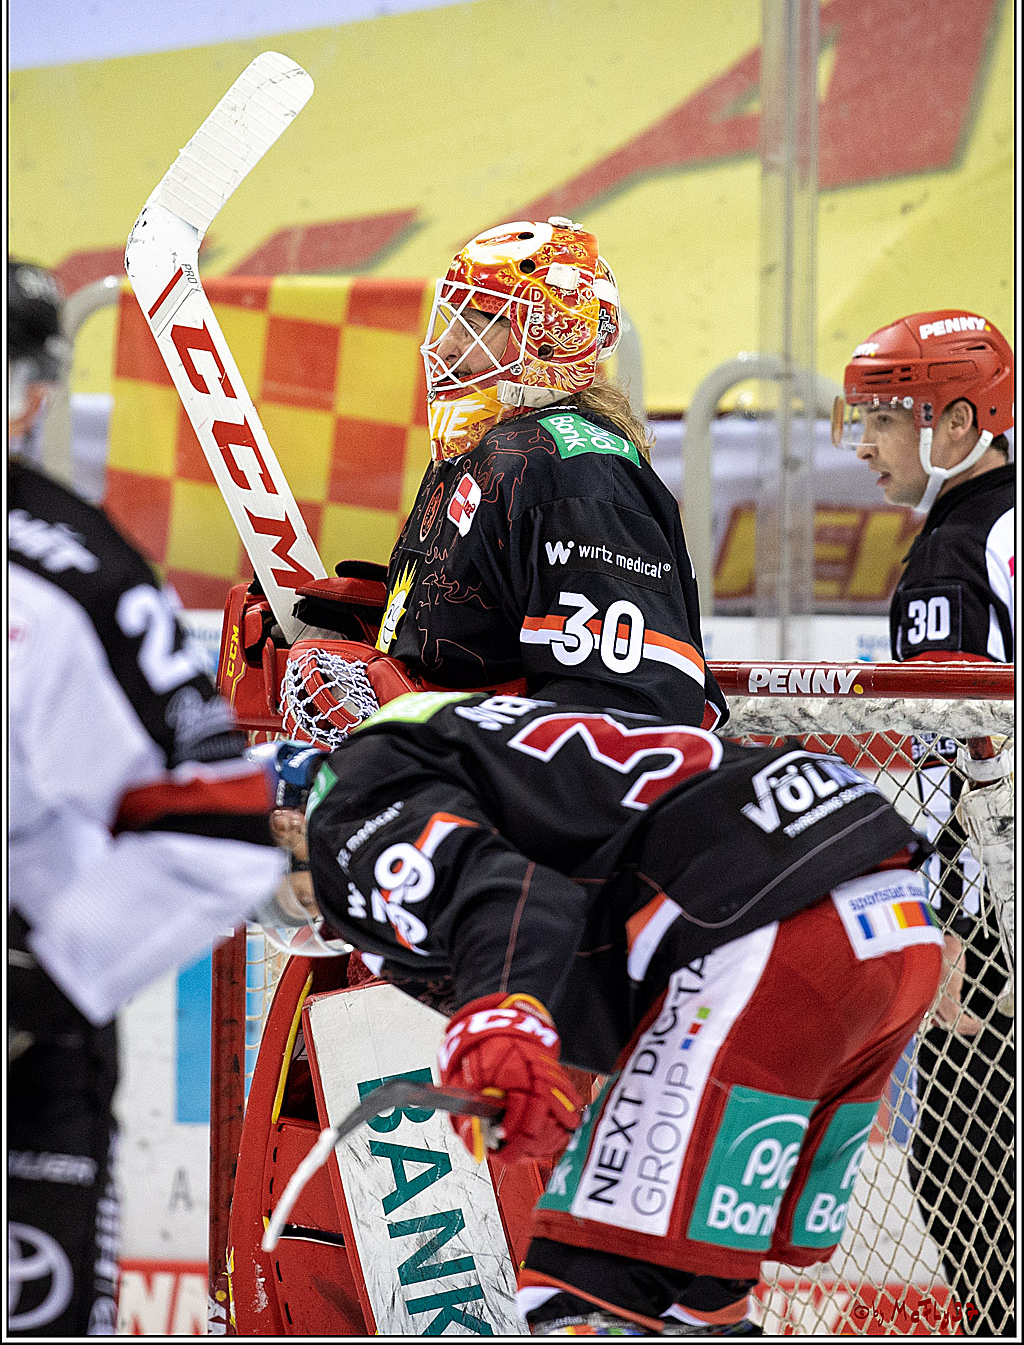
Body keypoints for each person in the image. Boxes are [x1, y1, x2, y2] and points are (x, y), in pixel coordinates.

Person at [299, 686, 944, 1336]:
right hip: (891, 921)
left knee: (585, 1294)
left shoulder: (342, 807)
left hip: (773, 925)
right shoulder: (476, 745)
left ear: (281, 818)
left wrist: (503, 1021)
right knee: (694, 1295)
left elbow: (508, 895)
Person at [7, 259, 290, 1336]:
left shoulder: (78, 580)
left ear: (29, 397)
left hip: (26, 1073)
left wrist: (36, 980)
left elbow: (216, 827)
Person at [315, 217, 726, 730]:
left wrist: (444, 748)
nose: (443, 347)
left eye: (477, 322)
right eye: (450, 319)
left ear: (550, 337)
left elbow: (626, 715)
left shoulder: (572, 472)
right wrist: (370, 632)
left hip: (512, 804)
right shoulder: (492, 448)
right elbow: (484, 635)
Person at [834, 308, 1015, 1336]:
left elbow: (963, 760)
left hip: (996, 915)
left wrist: (949, 925)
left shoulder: (951, 552)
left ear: (954, 422)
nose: (859, 445)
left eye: (880, 420)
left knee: (961, 1153)